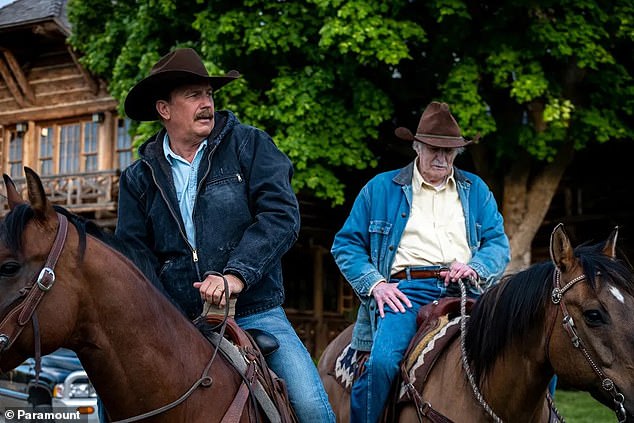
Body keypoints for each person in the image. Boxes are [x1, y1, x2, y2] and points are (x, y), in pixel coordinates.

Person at [115, 47, 335, 423]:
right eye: (193, 95)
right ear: (164, 110)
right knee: (116, 399)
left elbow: (281, 217)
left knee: (313, 408)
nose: (206, 104)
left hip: (254, 310)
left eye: (209, 94)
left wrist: (235, 275)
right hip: (174, 318)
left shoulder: (250, 145)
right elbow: (135, 257)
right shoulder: (137, 178)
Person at [331, 101, 511, 423]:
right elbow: (346, 245)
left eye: (449, 150)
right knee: (382, 363)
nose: (442, 158)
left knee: (527, 345)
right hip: (407, 293)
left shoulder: (476, 190)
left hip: (466, 289)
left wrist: (475, 267)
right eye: (433, 148)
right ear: (416, 146)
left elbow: (497, 244)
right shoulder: (381, 189)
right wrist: (377, 285)